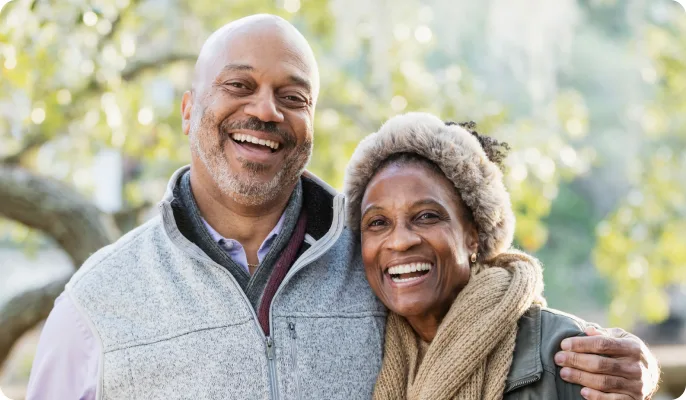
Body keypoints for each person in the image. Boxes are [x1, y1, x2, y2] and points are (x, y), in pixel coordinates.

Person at [26, 14, 658, 400]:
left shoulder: (378, 261)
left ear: (310, 123)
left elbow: (498, 311)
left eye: (292, 95)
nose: (265, 110)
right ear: (190, 109)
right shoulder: (98, 304)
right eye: (238, 85)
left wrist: (639, 369)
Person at [343, 112, 658, 400]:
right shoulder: (351, 347)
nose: (399, 242)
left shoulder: (568, 356)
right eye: (378, 222)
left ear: (474, 234)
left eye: (427, 216)